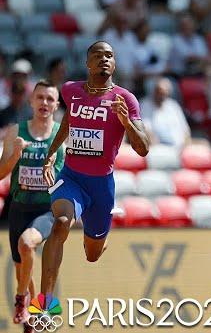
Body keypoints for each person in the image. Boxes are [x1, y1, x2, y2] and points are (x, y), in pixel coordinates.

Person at [40, 41, 150, 303]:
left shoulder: (125, 99)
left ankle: (100, 237)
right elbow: (69, 120)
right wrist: (52, 151)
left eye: (109, 55)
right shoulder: (70, 90)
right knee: (61, 224)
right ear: (87, 63)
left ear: (114, 64)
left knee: (92, 255)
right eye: (98, 55)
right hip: (71, 177)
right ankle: (45, 304)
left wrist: (126, 123)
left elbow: (143, 148)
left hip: (101, 187)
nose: (104, 59)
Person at [0, 81, 64, 333]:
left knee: (27, 244)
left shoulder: (63, 135)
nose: (45, 103)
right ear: (31, 102)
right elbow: (1, 173)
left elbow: (71, 176)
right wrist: (15, 155)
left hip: (47, 209)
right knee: (22, 269)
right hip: (19, 207)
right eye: (40, 98)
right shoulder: (16, 131)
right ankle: (31, 324)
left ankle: (20, 299)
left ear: (57, 105)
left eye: (50, 99)